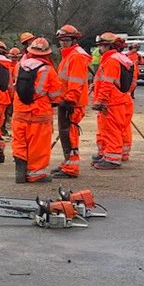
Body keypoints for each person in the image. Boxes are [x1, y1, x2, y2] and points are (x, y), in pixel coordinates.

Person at [11, 37, 64, 183]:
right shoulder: (48, 70)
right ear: (46, 53)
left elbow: (14, 87)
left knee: (20, 142)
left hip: (20, 112)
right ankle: (35, 174)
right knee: (38, 145)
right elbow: (56, 95)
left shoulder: (19, 66)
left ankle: (20, 170)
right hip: (39, 114)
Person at [51, 24, 91, 178]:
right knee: (65, 133)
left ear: (74, 40)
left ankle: (72, 167)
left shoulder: (76, 56)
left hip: (72, 103)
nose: (63, 43)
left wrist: (69, 100)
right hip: (66, 101)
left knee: (70, 134)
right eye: (61, 40)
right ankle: (68, 162)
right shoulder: (69, 55)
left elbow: (76, 82)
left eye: (66, 40)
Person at [91, 32, 134, 169]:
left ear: (106, 46)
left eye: (101, 46)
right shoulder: (121, 58)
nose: (99, 49)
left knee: (111, 130)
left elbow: (107, 83)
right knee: (119, 128)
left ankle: (112, 158)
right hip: (121, 99)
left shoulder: (111, 61)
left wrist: (100, 100)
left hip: (112, 102)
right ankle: (115, 154)